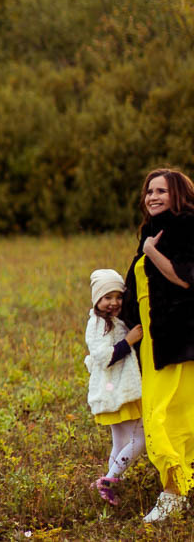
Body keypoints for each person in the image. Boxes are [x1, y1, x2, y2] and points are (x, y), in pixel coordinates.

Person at [120, 168, 194, 522]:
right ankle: (179, 485)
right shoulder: (151, 232)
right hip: (152, 340)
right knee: (172, 413)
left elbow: (185, 278)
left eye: (161, 191)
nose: (152, 197)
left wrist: (151, 251)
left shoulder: (185, 227)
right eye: (149, 191)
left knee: (162, 415)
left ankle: (174, 493)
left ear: (177, 194)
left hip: (177, 337)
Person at [83, 268, 144, 506]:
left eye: (118, 297)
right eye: (107, 297)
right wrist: (128, 342)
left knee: (119, 443)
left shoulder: (113, 321)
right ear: (97, 299)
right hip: (116, 392)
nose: (114, 303)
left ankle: (108, 487)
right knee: (140, 439)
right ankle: (109, 479)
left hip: (114, 390)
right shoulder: (98, 323)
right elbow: (102, 355)